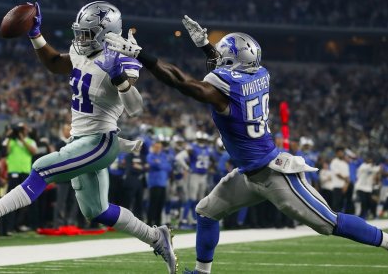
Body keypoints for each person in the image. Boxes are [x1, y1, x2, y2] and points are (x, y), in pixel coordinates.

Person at [104, 15, 388, 274]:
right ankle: (203, 273)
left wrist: (143, 56)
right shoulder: (259, 74)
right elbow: (224, 69)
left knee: (330, 223)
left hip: (273, 174)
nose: (220, 61)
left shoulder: (226, 88)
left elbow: (183, 83)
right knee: (206, 211)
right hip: (249, 173)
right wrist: (206, 47)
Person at [0, 2, 177, 273]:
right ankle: (155, 237)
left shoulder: (122, 57)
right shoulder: (80, 49)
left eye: (88, 33)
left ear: (106, 32)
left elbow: (135, 109)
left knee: (42, 168)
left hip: (100, 140)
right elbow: (55, 63)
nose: (80, 39)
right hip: (79, 139)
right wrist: (35, 35)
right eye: (80, 32)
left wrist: (120, 77)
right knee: (96, 210)